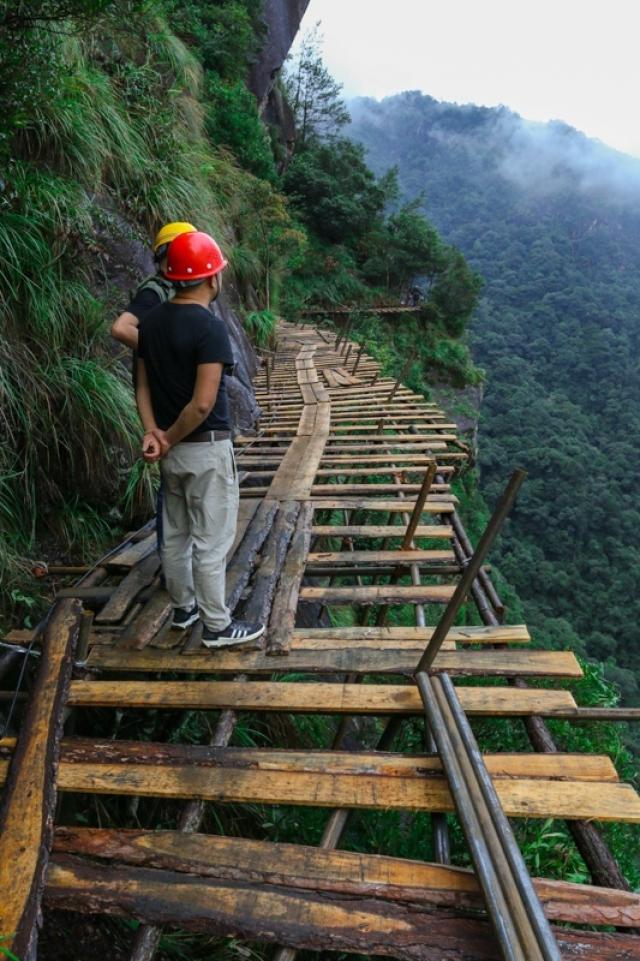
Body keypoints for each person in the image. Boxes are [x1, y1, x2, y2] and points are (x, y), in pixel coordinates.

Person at [136, 231, 264, 649]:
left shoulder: (150, 322)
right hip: (204, 449)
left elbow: (142, 389)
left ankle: (183, 609)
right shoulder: (210, 329)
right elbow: (202, 404)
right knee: (211, 540)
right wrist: (170, 438)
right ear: (212, 279)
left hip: (170, 453)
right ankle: (216, 627)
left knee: (174, 535)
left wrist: (154, 434)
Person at [111, 221, 197, 550]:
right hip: (166, 398)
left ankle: (175, 559)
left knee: (178, 481)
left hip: (170, 397)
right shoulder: (156, 290)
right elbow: (122, 328)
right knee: (175, 483)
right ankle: (172, 561)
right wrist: (168, 356)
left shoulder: (174, 289)